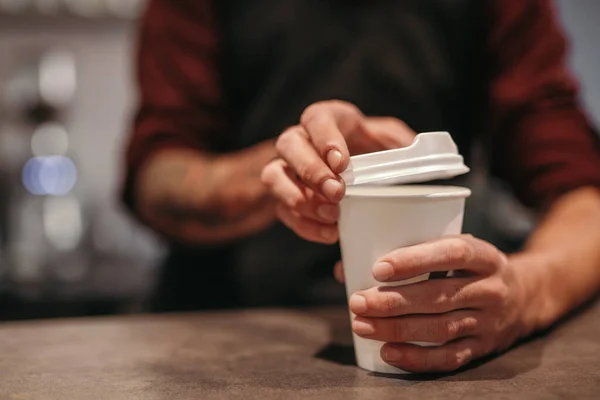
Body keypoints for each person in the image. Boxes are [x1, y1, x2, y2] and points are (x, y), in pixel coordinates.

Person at [123, 0, 600, 372]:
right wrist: (283, 172)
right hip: (219, 334)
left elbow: (584, 193)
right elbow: (156, 176)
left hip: (443, 336)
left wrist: (524, 293)